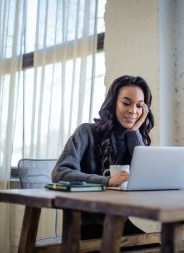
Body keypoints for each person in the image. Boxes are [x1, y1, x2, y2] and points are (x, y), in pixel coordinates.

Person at [52, 75, 155, 240]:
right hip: (85, 226)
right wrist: (106, 181)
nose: (132, 111)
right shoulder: (86, 132)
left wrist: (134, 132)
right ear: (113, 102)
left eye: (139, 106)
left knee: (160, 247)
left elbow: (146, 177)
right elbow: (59, 173)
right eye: (126, 103)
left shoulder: (133, 138)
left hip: (119, 221)